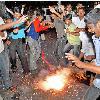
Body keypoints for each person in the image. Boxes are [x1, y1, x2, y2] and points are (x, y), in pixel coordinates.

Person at [65, 7, 100, 100]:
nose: (89, 30)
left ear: (99, 24)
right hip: (97, 84)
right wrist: (83, 67)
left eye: (90, 27)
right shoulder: (96, 38)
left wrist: (82, 64)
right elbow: (98, 62)